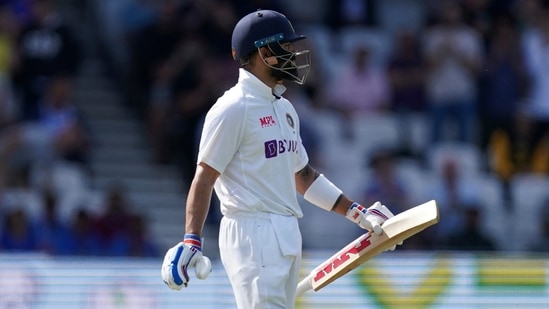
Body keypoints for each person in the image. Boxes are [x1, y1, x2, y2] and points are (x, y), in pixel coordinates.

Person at [161, 9, 399, 308]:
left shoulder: (284, 108)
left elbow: (302, 176)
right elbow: (205, 176)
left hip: (286, 231)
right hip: (251, 233)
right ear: (264, 52)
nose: (294, 54)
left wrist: (357, 212)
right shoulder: (233, 108)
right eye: (286, 47)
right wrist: (191, 239)